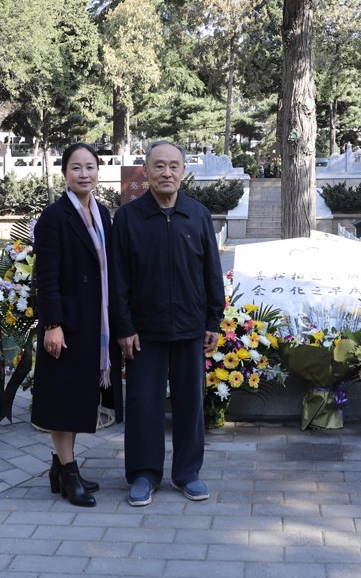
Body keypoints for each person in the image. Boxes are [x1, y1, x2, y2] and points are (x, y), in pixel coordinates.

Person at [111, 140, 226, 507]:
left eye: (174, 166)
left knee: (190, 403)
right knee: (144, 404)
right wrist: (125, 327)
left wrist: (213, 318)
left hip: (191, 327)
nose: (167, 173)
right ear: (145, 172)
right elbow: (119, 279)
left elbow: (212, 272)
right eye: (158, 166)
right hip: (145, 332)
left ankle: (187, 473)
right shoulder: (128, 218)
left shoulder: (198, 214)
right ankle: (144, 474)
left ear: (183, 171)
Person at [32, 142, 122, 507]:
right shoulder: (54, 217)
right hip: (66, 324)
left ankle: (60, 467)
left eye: (90, 167)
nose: (84, 174)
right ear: (64, 173)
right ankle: (69, 476)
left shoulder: (102, 212)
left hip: (92, 323)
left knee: (77, 396)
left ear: (98, 172)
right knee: (65, 398)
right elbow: (46, 276)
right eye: (75, 167)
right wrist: (52, 323)